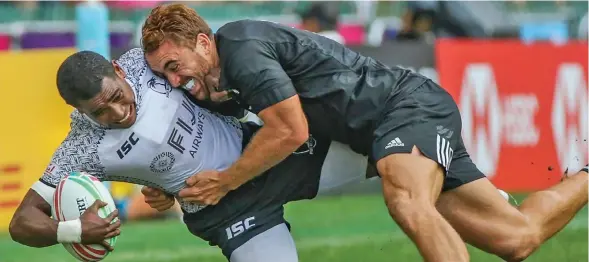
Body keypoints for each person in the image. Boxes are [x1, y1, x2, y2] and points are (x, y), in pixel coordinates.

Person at [140, 4, 589, 262]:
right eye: (164, 74)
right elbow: (187, 141)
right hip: (384, 131)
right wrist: (162, 186)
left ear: (202, 42)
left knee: (406, 202)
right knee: (516, 238)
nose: (174, 80)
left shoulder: (239, 48)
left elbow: (290, 131)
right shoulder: (212, 81)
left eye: (175, 67)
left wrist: (227, 181)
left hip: (405, 108)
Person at [8, 48, 364, 262]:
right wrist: (74, 230)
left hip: (262, 154)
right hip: (227, 211)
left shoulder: (144, 61)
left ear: (119, 70)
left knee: (394, 157)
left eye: (117, 97)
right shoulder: (82, 146)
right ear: (78, 111)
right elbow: (21, 223)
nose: (118, 113)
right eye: (100, 112)